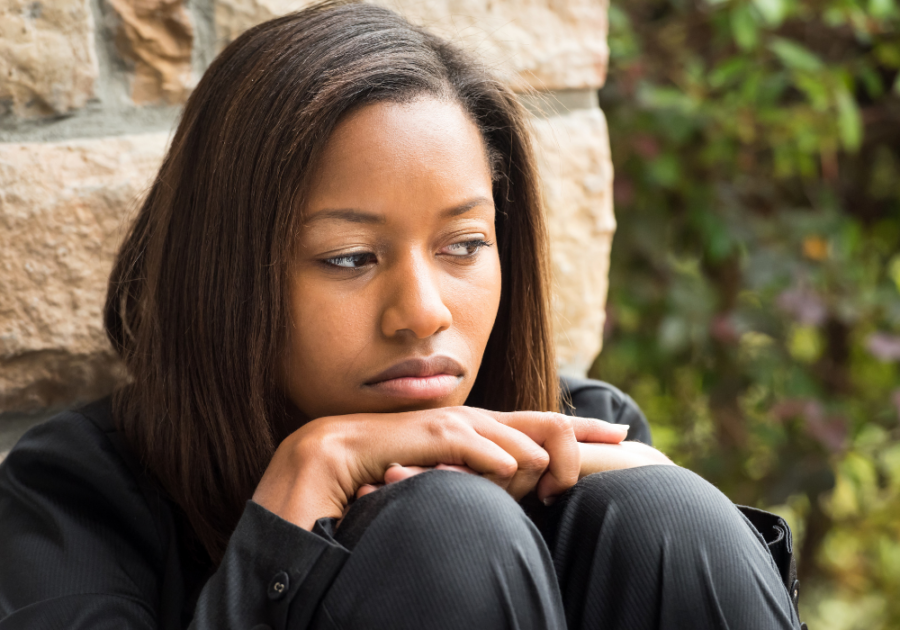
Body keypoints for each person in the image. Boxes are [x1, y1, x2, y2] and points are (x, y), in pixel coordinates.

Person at [0, 1, 805, 628]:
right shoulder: (76, 497)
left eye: (462, 246)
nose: (422, 314)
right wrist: (301, 491)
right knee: (447, 531)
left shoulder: (582, 431)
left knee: (671, 514)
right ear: (226, 274)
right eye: (349, 258)